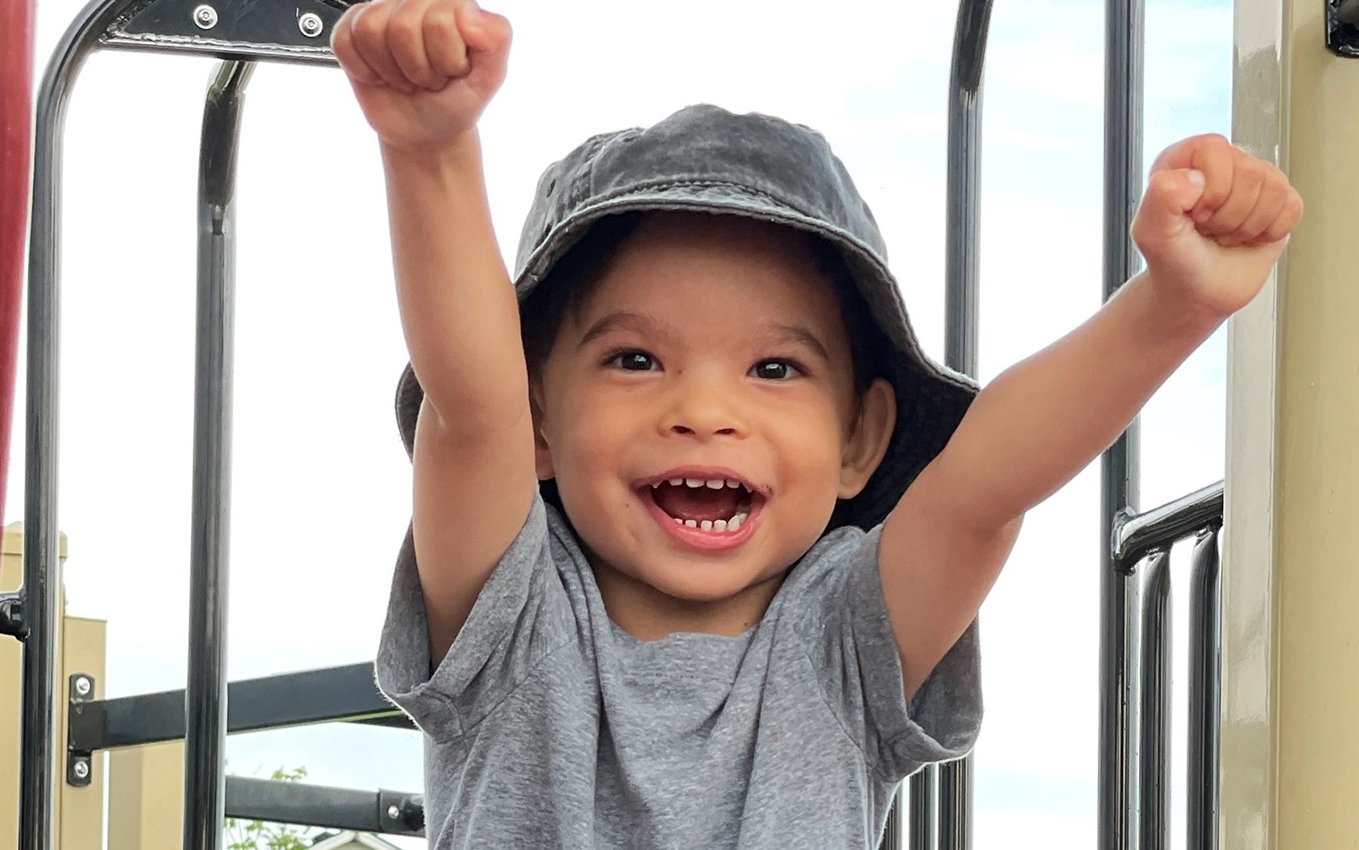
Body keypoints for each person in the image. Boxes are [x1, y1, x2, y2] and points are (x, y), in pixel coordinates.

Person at [330, 2, 1302, 847]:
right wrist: (428, 151)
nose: (703, 412)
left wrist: (1170, 306)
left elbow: (979, 487)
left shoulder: (843, 635)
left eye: (772, 368)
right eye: (634, 358)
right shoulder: (512, 616)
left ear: (860, 441)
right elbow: (473, 404)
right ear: (540, 424)